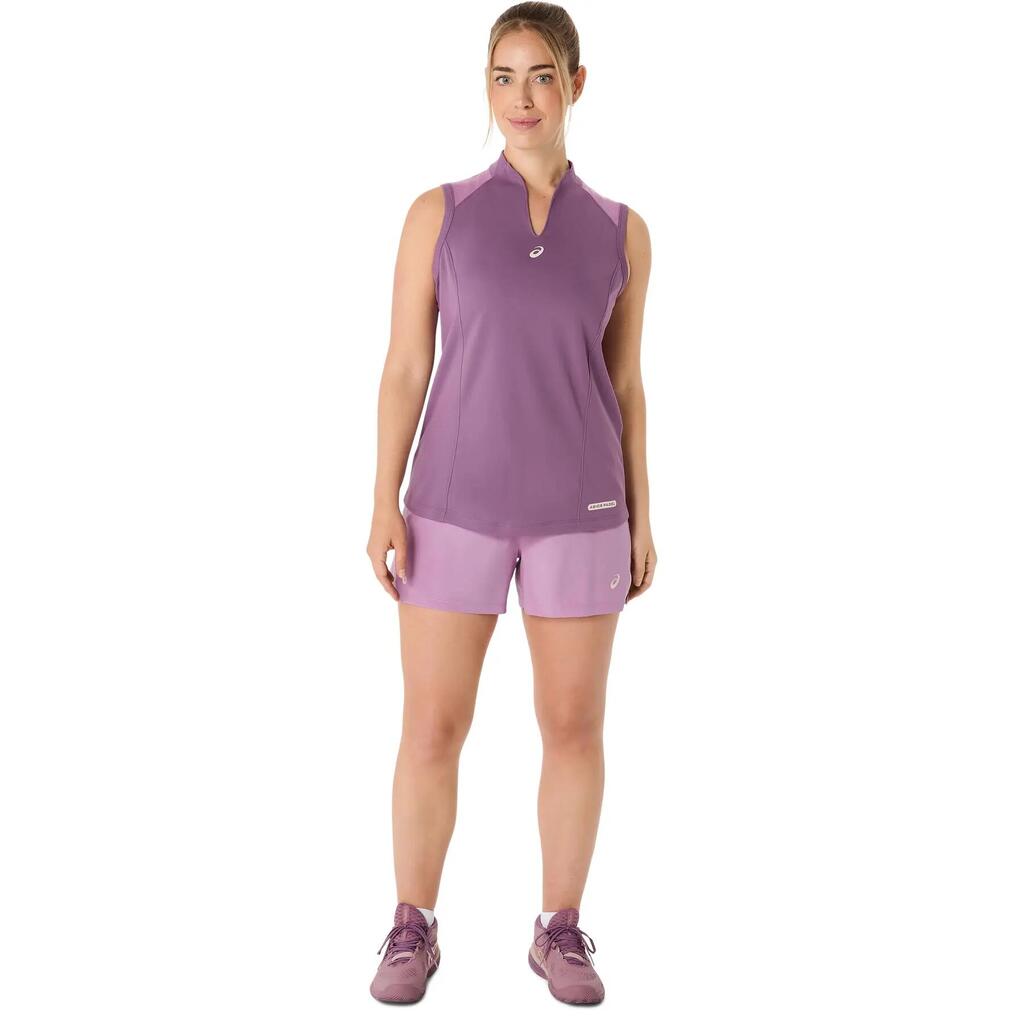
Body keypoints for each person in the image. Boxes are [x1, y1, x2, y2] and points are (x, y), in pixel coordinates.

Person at [366, 2, 655, 1005]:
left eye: (539, 75)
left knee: (573, 725)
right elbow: (406, 367)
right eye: (502, 76)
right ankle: (411, 924)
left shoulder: (621, 232)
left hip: (583, 511)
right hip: (451, 507)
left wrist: (644, 514)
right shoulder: (438, 214)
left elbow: (625, 384)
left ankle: (559, 930)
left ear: (576, 84)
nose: (520, 97)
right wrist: (383, 498)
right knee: (431, 726)